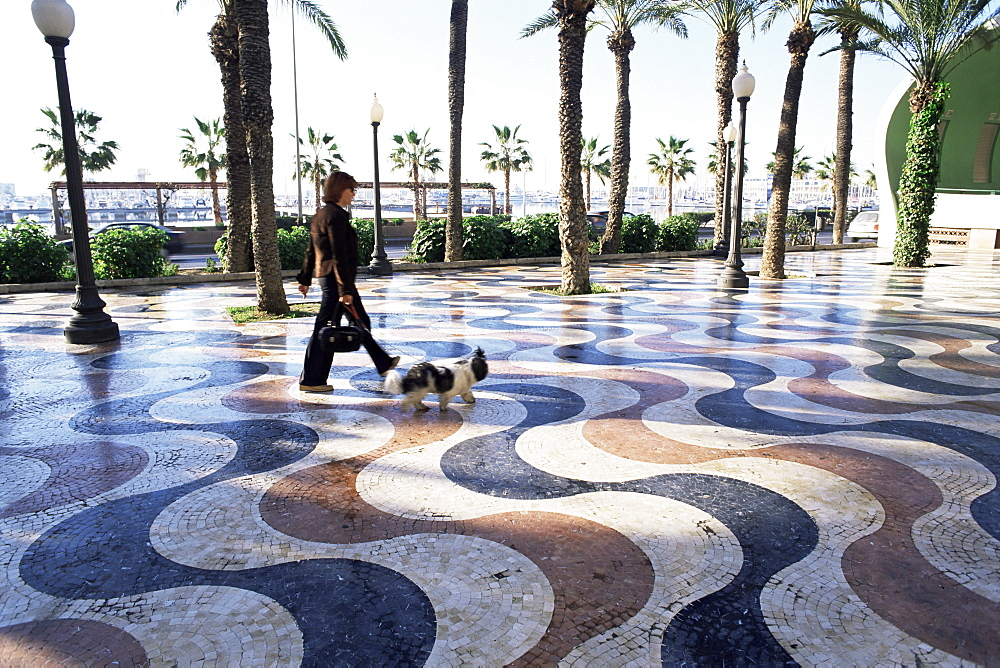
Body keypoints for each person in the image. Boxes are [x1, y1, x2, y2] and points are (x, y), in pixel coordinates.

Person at [296, 171, 399, 392]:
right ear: (339, 190)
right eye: (351, 189)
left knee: (358, 322)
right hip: (336, 282)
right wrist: (345, 289)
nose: (353, 194)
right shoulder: (336, 216)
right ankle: (312, 380)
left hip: (331, 280)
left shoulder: (321, 215)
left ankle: (383, 362)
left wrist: (305, 278)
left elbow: (311, 252)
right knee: (326, 330)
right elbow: (338, 255)